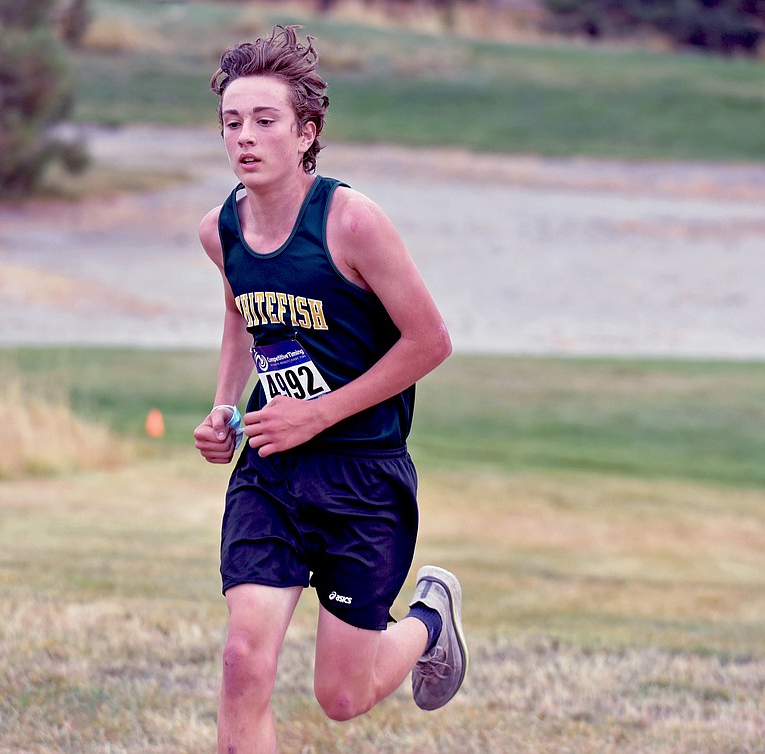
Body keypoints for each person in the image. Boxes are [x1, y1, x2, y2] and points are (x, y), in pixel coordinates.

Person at [192, 25, 467, 753]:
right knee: (242, 660)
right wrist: (225, 407)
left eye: (264, 121)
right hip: (272, 471)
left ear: (306, 132)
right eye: (231, 122)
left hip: (362, 477)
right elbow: (240, 312)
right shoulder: (220, 229)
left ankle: (431, 619)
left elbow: (431, 342)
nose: (243, 137)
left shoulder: (351, 222)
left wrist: (317, 416)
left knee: (342, 697)